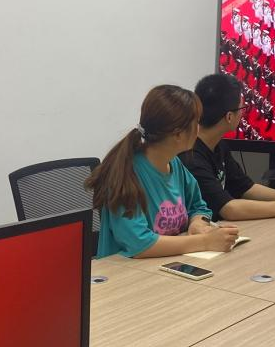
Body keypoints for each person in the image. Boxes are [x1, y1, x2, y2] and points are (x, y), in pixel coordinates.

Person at [88, 85, 239, 258]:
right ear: (178, 134)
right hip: (126, 271)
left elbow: (198, 206)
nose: (199, 129)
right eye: (196, 123)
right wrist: (205, 242)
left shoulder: (175, 164)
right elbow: (140, 244)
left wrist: (197, 222)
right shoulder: (126, 174)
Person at [180, 74, 275, 221]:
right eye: (242, 108)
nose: (243, 113)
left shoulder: (217, 144)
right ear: (229, 117)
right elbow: (228, 209)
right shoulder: (190, 157)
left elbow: (245, 187)